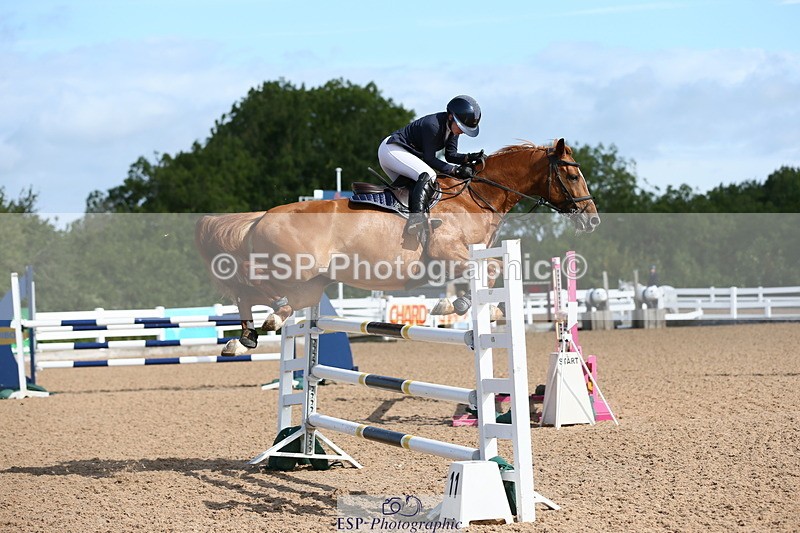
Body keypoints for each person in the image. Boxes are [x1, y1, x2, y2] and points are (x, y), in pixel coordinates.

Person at [377, 95, 484, 238]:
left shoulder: (453, 130)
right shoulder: (433, 125)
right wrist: (455, 170)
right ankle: (416, 221)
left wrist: (468, 157)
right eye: (462, 127)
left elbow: (450, 155)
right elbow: (429, 159)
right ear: (451, 117)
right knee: (429, 174)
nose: (463, 132)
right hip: (392, 149)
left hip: (404, 154)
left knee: (413, 191)